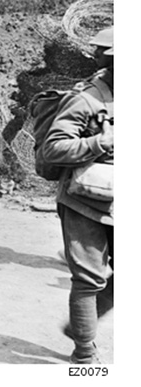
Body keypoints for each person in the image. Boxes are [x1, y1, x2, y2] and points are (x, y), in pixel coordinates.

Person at [43, 27, 114, 364]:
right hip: (84, 200)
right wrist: (99, 143)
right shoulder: (85, 98)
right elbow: (53, 148)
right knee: (89, 279)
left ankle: (80, 324)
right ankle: (85, 354)